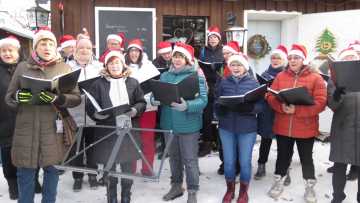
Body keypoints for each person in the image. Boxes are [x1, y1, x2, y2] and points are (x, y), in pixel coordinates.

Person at [5, 27, 81, 203]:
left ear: (55, 47)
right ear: (35, 47)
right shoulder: (23, 67)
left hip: (53, 130)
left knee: (52, 173)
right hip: (27, 130)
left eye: (50, 44)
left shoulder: (64, 68)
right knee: (26, 174)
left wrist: (59, 98)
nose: (47, 47)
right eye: (42, 43)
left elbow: (76, 99)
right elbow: (9, 98)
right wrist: (19, 97)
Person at [266, 44, 327, 203]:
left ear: (304, 60)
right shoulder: (280, 76)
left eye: (296, 57)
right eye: (290, 57)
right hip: (283, 125)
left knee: (306, 158)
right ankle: (278, 182)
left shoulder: (316, 77)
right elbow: (271, 97)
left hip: (305, 127)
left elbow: (320, 103)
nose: (292, 60)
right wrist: (281, 107)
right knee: (282, 157)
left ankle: (309, 187)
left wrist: (297, 111)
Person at [86, 50, 146, 203]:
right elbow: (90, 105)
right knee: (109, 166)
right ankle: (111, 196)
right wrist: (96, 114)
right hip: (107, 131)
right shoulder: (98, 83)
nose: (114, 66)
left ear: (123, 64)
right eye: (111, 63)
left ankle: (126, 195)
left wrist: (134, 110)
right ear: (106, 66)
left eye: (117, 62)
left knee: (127, 166)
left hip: (128, 129)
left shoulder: (133, 82)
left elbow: (141, 102)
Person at [153, 42, 207, 203]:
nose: (177, 60)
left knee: (190, 159)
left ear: (187, 59)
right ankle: (176, 186)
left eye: (180, 57)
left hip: (188, 124)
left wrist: (188, 106)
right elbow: (157, 93)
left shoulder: (196, 75)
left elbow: (203, 100)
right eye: (175, 56)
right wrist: (154, 99)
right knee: (174, 158)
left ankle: (192, 190)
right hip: (169, 124)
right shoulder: (165, 76)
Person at [215, 53, 263, 203]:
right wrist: (219, 111)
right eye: (233, 65)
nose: (236, 68)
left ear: (245, 67)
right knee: (229, 161)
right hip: (227, 127)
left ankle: (243, 192)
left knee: (244, 161)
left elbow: (261, 105)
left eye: (239, 65)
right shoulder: (224, 82)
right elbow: (216, 101)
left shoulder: (254, 83)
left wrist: (250, 108)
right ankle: (230, 189)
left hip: (247, 128)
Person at [0, 35, 42, 199]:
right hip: (4, 119)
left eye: (10, 50)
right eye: (3, 50)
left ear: (18, 51)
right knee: (8, 154)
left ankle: (33, 179)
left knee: (33, 152)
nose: (7, 53)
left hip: (28, 118)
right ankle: (12, 184)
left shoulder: (27, 68)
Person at [67, 36, 103, 191]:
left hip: (93, 113)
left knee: (92, 145)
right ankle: (78, 176)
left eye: (88, 48)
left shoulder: (99, 67)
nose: (84, 51)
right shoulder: (67, 67)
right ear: (75, 50)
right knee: (77, 147)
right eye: (81, 47)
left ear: (92, 50)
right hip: (73, 113)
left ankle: (93, 175)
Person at [327, 47, 360, 203]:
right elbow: (332, 105)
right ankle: (337, 197)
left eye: (352, 58)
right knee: (339, 166)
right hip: (342, 128)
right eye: (346, 58)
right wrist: (336, 95)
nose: (349, 61)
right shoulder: (334, 79)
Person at [125, 38, 159, 176]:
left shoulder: (149, 66)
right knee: (131, 140)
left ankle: (147, 168)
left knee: (147, 139)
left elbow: (156, 87)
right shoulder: (122, 66)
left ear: (140, 52)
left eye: (136, 51)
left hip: (148, 109)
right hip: (130, 109)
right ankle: (130, 168)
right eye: (131, 51)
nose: (134, 54)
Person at [254, 45, 289, 180]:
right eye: (273, 58)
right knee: (265, 140)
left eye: (278, 58)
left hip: (282, 112)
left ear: (283, 60)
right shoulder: (264, 74)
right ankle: (261, 165)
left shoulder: (288, 75)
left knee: (284, 143)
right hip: (267, 111)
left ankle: (284, 170)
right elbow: (258, 91)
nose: (275, 60)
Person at [198, 25, 224, 157]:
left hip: (221, 86)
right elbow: (199, 67)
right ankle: (207, 142)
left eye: (215, 37)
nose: (212, 39)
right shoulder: (203, 51)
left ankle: (220, 142)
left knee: (221, 115)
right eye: (210, 37)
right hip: (207, 85)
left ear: (219, 39)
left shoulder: (224, 51)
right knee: (206, 115)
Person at [216, 41, 241, 175]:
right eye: (224, 53)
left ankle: (236, 165)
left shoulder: (243, 67)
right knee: (223, 139)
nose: (225, 56)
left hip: (238, 110)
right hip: (224, 108)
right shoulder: (222, 66)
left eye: (228, 53)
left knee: (235, 140)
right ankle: (225, 163)